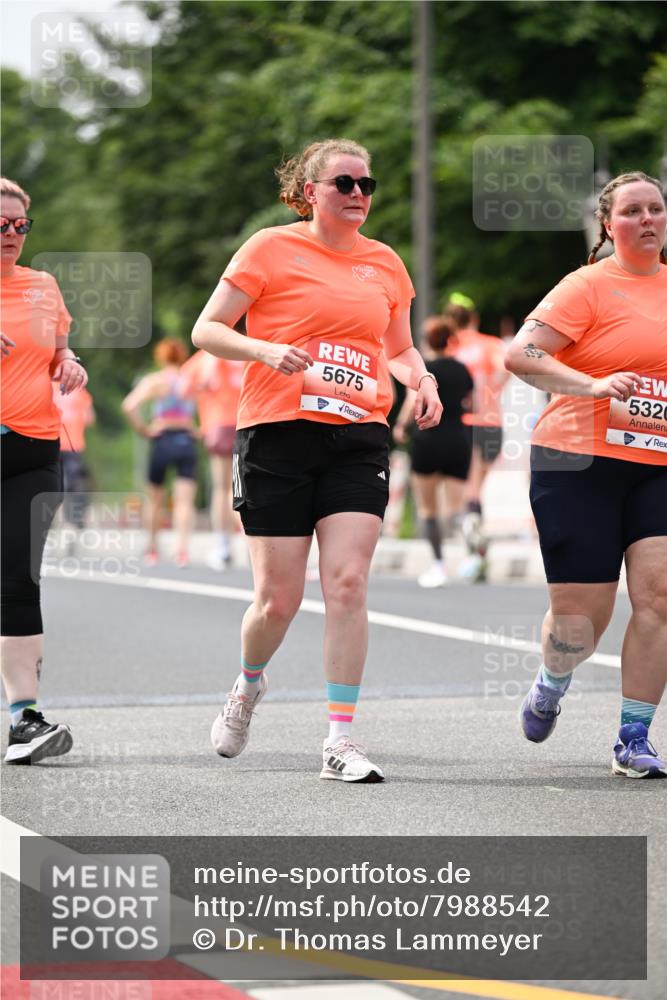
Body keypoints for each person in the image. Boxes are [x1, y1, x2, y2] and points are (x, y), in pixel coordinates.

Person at [192, 138, 441, 782]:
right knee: (278, 601)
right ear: (310, 192)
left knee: (348, 584)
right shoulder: (269, 248)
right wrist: (264, 351)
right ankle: (248, 685)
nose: (358, 193)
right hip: (278, 432)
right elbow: (208, 329)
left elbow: (399, 349)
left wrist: (423, 380)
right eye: (344, 183)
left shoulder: (385, 264)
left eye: (367, 184)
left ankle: (339, 739)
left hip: (358, 434)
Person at [505, 170, 667, 779]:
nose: (647, 220)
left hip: (658, 464)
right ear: (609, 224)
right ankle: (552, 681)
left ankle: (634, 735)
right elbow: (520, 354)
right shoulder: (587, 286)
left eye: (656, 209)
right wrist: (592, 384)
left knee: (659, 596)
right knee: (581, 619)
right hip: (578, 459)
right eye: (632, 211)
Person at [1, 177, 88, 764]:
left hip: (32, 449)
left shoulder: (43, 286)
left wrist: (70, 364)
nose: (11, 235)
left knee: (17, 579)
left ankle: (23, 720)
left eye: (20, 226)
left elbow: (59, 350)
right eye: (0, 226)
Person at [394, 315, 473, 587]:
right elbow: (471, 403)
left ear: (427, 341)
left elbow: (411, 400)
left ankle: (439, 566)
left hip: (427, 440)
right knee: (457, 507)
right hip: (458, 439)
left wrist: (401, 426)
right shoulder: (462, 369)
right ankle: (472, 550)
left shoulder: (423, 370)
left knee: (428, 510)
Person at [445, 297, 509, 582]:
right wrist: (493, 390)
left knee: (467, 491)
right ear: (474, 318)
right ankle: (477, 551)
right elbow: (505, 367)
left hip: (463, 423)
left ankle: (475, 552)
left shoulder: (451, 347)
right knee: (476, 488)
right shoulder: (490, 343)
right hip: (492, 423)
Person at [122, 338, 198, 568]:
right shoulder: (190, 380)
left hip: (162, 439)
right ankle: (182, 551)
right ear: (182, 356)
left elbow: (129, 405)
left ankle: (153, 550)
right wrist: (198, 429)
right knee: (184, 501)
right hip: (186, 439)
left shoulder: (156, 381)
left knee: (155, 500)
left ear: (161, 357)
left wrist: (144, 429)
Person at [179, 350, 244, 570]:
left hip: (220, 424)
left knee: (224, 488)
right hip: (247, 421)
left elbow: (184, 390)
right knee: (243, 484)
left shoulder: (207, 355)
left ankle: (225, 546)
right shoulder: (245, 348)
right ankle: (251, 536)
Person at [53, 381, 95, 553]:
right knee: (72, 487)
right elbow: (90, 419)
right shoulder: (79, 390)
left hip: (51, 443)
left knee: (53, 486)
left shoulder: (49, 388)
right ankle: (69, 527)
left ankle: (53, 528)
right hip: (74, 445)